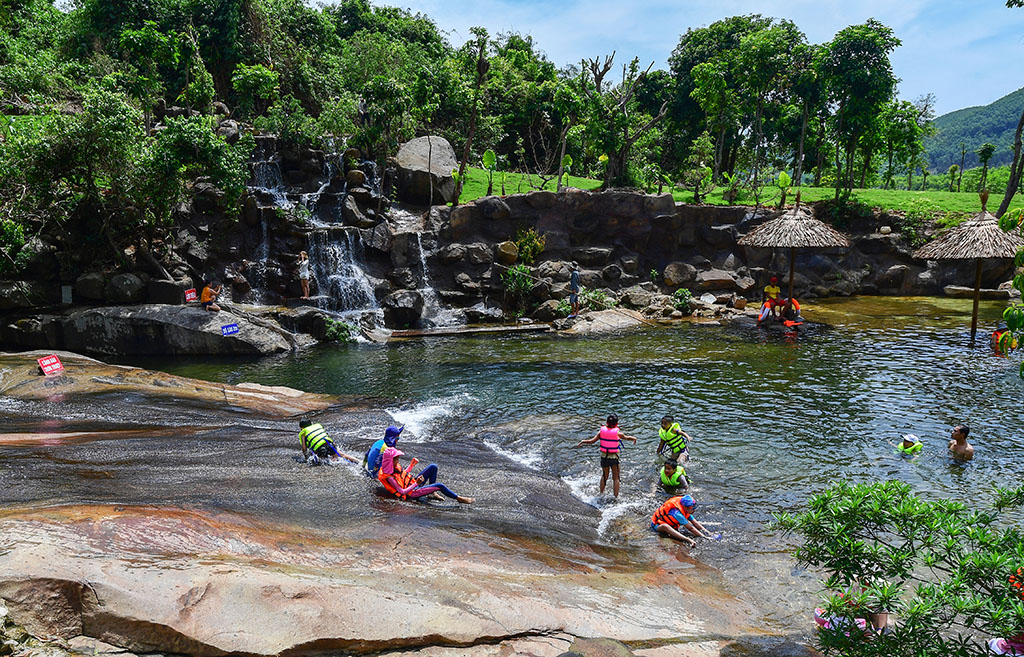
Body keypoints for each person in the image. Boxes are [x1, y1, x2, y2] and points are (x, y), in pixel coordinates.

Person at [377, 447, 474, 503]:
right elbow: (402, 491)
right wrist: (416, 484)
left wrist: (411, 466)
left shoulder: (393, 467)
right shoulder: (389, 477)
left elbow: (403, 475)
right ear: (390, 461)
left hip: (413, 484)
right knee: (439, 486)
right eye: (396, 459)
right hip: (412, 493)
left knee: (433, 467)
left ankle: (432, 494)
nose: (398, 460)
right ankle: (458, 498)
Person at [574, 414, 637, 498]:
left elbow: (591, 441)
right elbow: (627, 437)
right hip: (614, 458)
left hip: (604, 458)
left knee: (604, 476)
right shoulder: (618, 433)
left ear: (606, 422)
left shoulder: (601, 432)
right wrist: (634, 438)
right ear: (616, 424)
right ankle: (615, 497)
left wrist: (583, 441)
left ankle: (601, 494)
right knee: (616, 478)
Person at [650, 494, 716, 545]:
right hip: (657, 525)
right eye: (693, 508)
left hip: (670, 524)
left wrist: (709, 533)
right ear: (685, 507)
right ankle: (687, 539)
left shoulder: (685, 510)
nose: (694, 510)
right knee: (665, 526)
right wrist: (704, 537)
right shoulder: (676, 513)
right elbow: (691, 528)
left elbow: (695, 523)